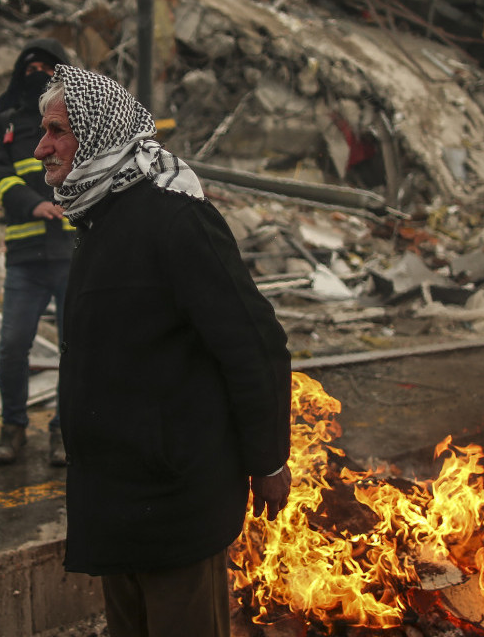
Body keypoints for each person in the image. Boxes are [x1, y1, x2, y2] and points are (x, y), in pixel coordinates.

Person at [34, 65, 292, 636]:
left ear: (98, 134)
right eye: (43, 131)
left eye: (56, 131)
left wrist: (268, 460)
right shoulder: (97, 217)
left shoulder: (177, 220)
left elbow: (255, 344)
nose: (40, 147)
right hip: (114, 501)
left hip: (174, 500)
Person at [0, 40, 74, 466]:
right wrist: (31, 203)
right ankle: (13, 427)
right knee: (12, 345)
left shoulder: (75, 118)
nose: (37, 70)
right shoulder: (5, 120)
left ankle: (63, 432)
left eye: (48, 66)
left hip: (72, 252)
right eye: (31, 65)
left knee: (73, 348)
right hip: (25, 254)